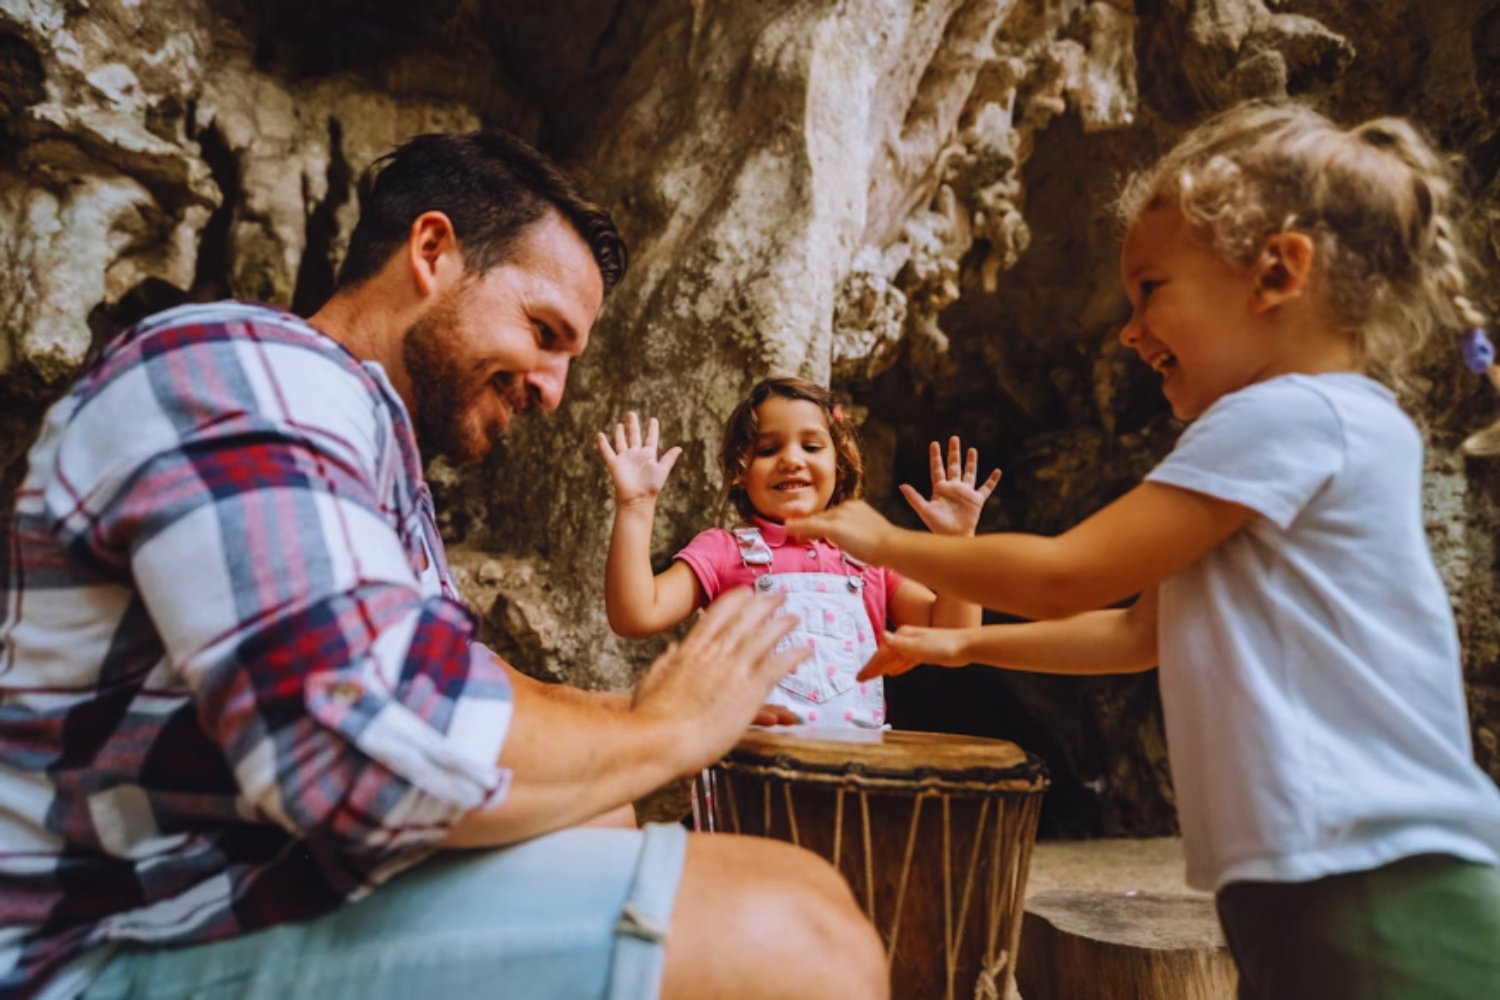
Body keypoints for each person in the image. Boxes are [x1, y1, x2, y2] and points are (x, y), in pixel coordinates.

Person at [0, 131, 887, 1000]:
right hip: (100, 947)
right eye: (544, 332)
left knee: (613, 817)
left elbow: (464, 679)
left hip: (242, 894)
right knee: (796, 942)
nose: (553, 389)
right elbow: (355, 758)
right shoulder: (240, 370)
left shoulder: (371, 447)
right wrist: (667, 733)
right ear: (433, 251)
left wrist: (638, 709)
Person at [791, 102, 1500, 997]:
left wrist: (887, 541)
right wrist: (968, 643)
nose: (1129, 331)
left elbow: (1071, 571)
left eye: (1151, 290)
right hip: (1330, 875)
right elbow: (1138, 633)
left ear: (1277, 272)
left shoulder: (1286, 415)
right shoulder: (1319, 427)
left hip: (1372, 879)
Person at [595, 377, 1000, 729]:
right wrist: (635, 506)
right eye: (769, 450)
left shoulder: (868, 558)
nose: (791, 459)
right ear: (740, 469)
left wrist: (958, 543)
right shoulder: (722, 550)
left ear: (840, 464)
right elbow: (635, 614)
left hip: (855, 773)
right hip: (750, 774)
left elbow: (953, 642)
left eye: (811, 446)